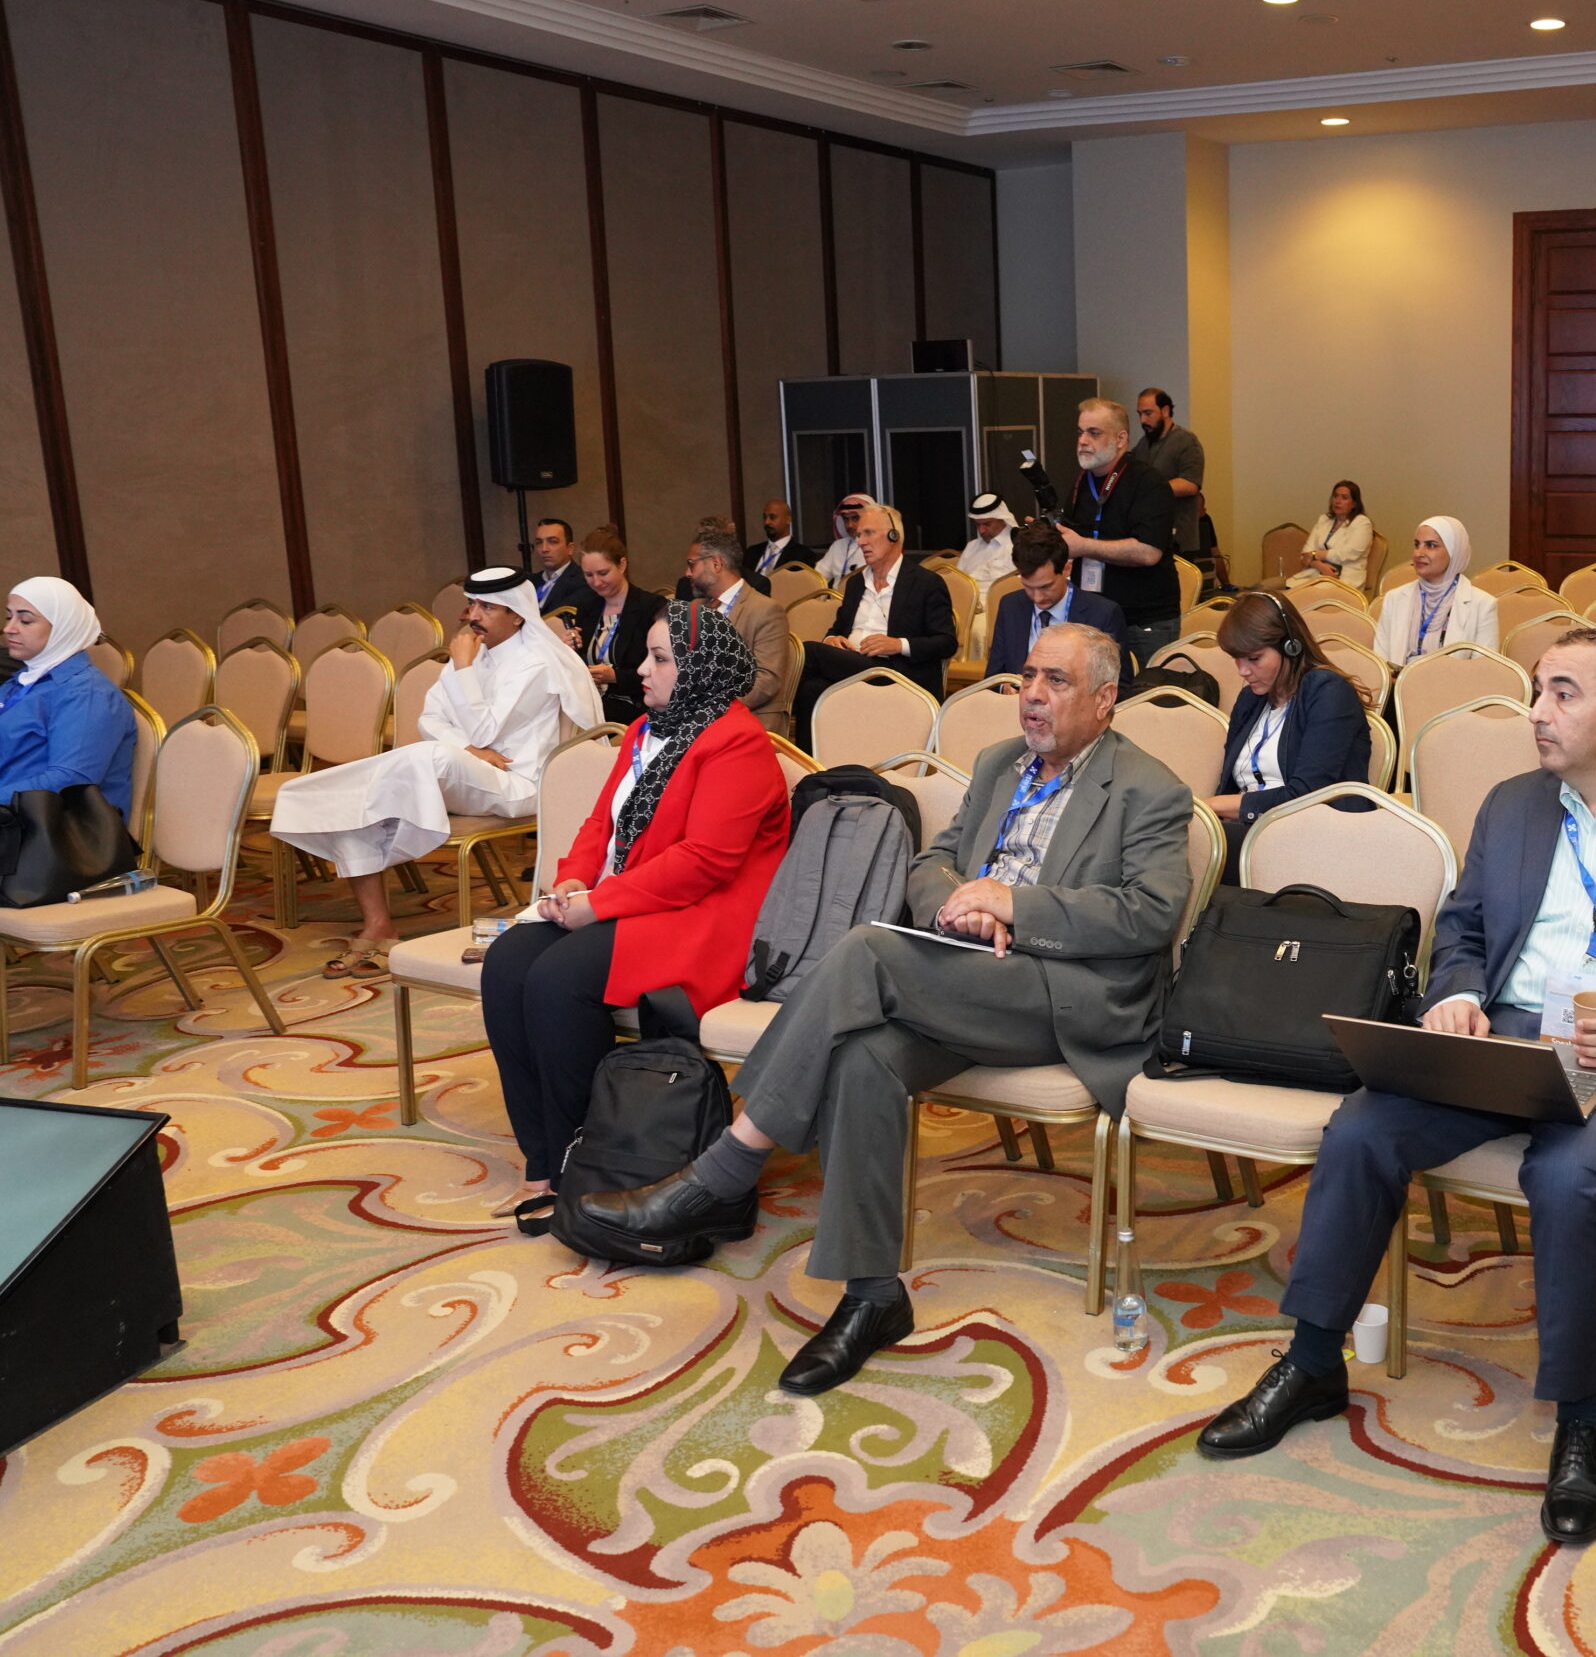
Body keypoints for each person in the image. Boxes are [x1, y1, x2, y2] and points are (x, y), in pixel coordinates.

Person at [1195, 629, 1596, 1547]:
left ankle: (1581, 1416)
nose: (1536, 711)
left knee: (1568, 1173)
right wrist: (1460, 994)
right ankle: (1313, 1361)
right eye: (1537, 690)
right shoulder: (1513, 805)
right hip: (1505, 1035)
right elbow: (1463, 930)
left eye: (1562, 693)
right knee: (1361, 1128)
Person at [572, 623, 1193, 1396]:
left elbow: (1149, 914)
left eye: (1056, 681)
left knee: (866, 950)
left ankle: (724, 1168)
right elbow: (933, 862)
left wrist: (1015, 905)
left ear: (1104, 700)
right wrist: (959, 907)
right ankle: (872, 1296)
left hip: (1065, 992)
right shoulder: (1001, 763)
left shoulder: (1148, 787)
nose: (1032, 694)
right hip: (968, 972)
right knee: (862, 1052)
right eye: (1028, 675)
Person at [482, 603, 789, 1217]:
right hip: (632, 897)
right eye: (647, 656)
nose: (642, 670)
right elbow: (602, 822)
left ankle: (584, 1163)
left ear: (699, 667)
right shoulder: (646, 729)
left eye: (660, 658)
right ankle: (543, 1161)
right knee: (507, 963)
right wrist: (573, 879)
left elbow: (704, 862)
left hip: (701, 916)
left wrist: (598, 904)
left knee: (557, 980)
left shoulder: (737, 743)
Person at [271, 566, 603, 979]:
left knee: (426, 758)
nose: (473, 615)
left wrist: (462, 671)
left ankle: (329, 795)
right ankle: (378, 926)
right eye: (472, 604)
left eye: (487, 607)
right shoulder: (476, 653)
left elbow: (484, 729)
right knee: (364, 801)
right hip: (467, 769)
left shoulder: (536, 663)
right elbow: (430, 718)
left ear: (517, 614)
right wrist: (467, 749)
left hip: (520, 782)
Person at [1210, 591, 1372, 866]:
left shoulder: (1328, 692)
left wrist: (1213, 805)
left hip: (1318, 835)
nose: (1242, 671)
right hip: (1253, 831)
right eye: (1236, 659)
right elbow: (1230, 783)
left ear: (1291, 647)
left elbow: (1307, 793)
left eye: (1254, 658)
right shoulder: (1251, 699)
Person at [792, 501, 958, 742]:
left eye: (868, 533)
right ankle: (809, 763)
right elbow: (837, 628)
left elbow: (946, 642)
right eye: (859, 535)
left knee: (808, 651)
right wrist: (832, 639)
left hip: (898, 672)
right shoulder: (856, 583)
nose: (861, 542)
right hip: (854, 665)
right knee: (812, 689)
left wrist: (898, 644)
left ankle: (771, 713)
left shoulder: (926, 583)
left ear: (893, 536)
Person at [0, 577, 135, 815]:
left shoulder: (88, 694)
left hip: (51, 828)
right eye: (9, 617)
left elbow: (70, 781)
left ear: (63, 627)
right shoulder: (24, 680)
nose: (9, 628)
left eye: (25, 620)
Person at [1062, 398, 1181, 663]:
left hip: (1143, 621)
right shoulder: (1082, 482)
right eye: (1080, 432)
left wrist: (1083, 546)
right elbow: (1075, 535)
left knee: (1144, 689)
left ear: (1121, 438)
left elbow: (1148, 552)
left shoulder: (1149, 482)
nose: (1083, 441)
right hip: (1093, 616)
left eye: (1094, 433)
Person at [984, 522, 1131, 682]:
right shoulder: (1010, 606)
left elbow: (1119, 685)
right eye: (1028, 587)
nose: (1037, 597)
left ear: (1066, 569)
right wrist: (1004, 687)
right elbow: (993, 677)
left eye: (1046, 587)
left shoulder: (1102, 614)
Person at [681, 526, 793, 737]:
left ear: (716, 563)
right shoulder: (695, 608)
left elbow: (766, 680)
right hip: (695, 719)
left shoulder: (765, 610)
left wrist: (712, 709)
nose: (687, 573)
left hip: (749, 719)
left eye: (691, 564)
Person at [1370, 516, 1499, 666]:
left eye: (1431, 545)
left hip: (1453, 681)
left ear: (1454, 551)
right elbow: (1380, 664)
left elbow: (1483, 670)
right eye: (1417, 544)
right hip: (1398, 681)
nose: (1418, 553)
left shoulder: (1482, 605)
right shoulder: (1394, 598)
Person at [574, 528, 667, 727]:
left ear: (622, 565)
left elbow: (663, 670)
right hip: (591, 700)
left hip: (634, 703)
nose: (596, 582)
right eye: (588, 575)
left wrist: (615, 677)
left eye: (603, 573)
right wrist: (569, 648)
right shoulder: (587, 607)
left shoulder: (650, 607)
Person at [1133, 388, 1207, 558]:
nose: (1143, 420)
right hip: (1148, 534)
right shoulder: (1143, 444)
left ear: (1165, 411)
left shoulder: (1186, 441)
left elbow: (1190, 485)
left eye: (1148, 413)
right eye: (1140, 414)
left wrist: (1150, 489)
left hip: (1178, 539)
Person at [1289, 481, 1375, 591]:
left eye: (1344, 498)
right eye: (1335, 496)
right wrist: (1319, 565)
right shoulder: (1324, 519)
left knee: (1306, 595)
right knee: (1283, 593)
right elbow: (1305, 554)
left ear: (1354, 504)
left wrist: (1315, 555)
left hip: (1344, 579)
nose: (1338, 501)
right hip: (1315, 574)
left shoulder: (1362, 523)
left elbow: (1349, 553)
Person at [529, 518, 603, 639]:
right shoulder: (529, 582)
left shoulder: (585, 580)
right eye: (539, 543)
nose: (544, 549)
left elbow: (561, 619)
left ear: (570, 548)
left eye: (553, 542)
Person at [955, 494, 1018, 600]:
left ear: (1002, 519)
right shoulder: (971, 546)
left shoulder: (1018, 547)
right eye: (977, 525)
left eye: (987, 524)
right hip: (965, 604)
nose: (981, 530)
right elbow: (956, 581)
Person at [749, 498, 821, 584]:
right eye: (765, 517)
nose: (767, 522)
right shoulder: (752, 552)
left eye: (772, 517)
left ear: (788, 520)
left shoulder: (803, 556)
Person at [813, 495, 865, 590]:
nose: (850, 525)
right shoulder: (838, 546)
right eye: (846, 519)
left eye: (855, 518)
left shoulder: (878, 547)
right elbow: (818, 577)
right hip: (835, 598)